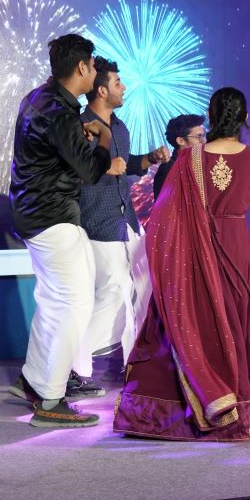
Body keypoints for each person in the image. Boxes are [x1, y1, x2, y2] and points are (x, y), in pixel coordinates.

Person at [114, 87, 250, 441]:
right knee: (237, 330)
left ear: (211, 118)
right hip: (236, 252)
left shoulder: (188, 160)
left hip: (194, 257)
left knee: (195, 324)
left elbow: (163, 217)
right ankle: (241, 415)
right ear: (245, 118)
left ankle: (184, 412)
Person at [7, 33, 127, 429]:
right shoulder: (61, 112)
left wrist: (79, 134)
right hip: (52, 215)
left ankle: (33, 380)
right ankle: (50, 401)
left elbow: (56, 150)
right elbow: (91, 171)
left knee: (53, 300)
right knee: (73, 303)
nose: (95, 71)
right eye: (93, 65)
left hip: (34, 213)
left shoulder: (39, 98)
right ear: (81, 67)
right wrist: (103, 136)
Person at [77, 57, 171, 381]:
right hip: (98, 221)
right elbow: (75, 171)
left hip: (127, 220)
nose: (124, 87)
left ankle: (133, 362)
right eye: (118, 83)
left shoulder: (119, 127)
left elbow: (125, 164)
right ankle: (73, 361)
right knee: (115, 290)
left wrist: (149, 158)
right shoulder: (80, 127)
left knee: (144, 287)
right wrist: (106, 167)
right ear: (102, 90)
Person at [152, 114, 205, 200]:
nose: (203, 141)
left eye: (203, 136)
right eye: (198, 136)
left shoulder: (202, 165)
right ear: (180, 141)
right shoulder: (168, 170)